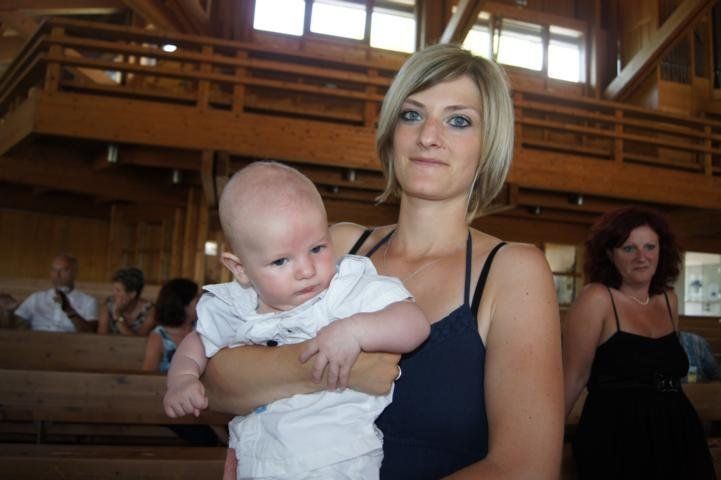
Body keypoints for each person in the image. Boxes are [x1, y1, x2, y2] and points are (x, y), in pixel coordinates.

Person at [201, 43, 564, 479]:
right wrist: (337, 369)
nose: (428, 136)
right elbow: (214, 379)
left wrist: (283, 370)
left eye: (458, 121)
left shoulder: (512, 271)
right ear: (392, 133)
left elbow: (526, 467)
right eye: (412, 114)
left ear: (489, 146)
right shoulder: (336, 248)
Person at [164, 162, 430, 479]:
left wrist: (356, 330)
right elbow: (196, 342)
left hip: (338, 460)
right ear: (240, 269)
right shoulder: (234, 305)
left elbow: (414, 323)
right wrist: (182, 379)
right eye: (281, 261)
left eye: (317, 248)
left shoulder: (344, 290)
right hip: (257, 462)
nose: (306, 270)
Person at [563, 206, 715, 479]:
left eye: (650, 247)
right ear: (609, 254)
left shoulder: (668, 299)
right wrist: (544, 441)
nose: (641, 257)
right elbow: (573, 378)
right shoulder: (596, 298)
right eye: (629, 248)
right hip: (616, 436)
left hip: (677, 430)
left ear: (662, 251)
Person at [13, 254, 98, 332]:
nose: (57, 275)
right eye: (54, 270)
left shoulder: (88, 302)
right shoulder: (36, 298)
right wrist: (8, 312)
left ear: (75, 273)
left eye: (64, 270)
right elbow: (15, 324)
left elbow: (90, 333)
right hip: (37, 340)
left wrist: (69, 310)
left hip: (70, 342)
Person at [142, 278, 199, 373]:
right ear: (184, 305)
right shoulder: (159, 336)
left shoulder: (201, 329)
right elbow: (148, 374)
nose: (201, 304)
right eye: (197, 300)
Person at [98, 267, 155, 336]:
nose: (113, 294)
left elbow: (138, 341)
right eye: (113, 289)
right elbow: (101, 337)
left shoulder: (150, 312)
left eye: (118, 290)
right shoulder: (108, 305)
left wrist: (118, 315)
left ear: (132, 294)